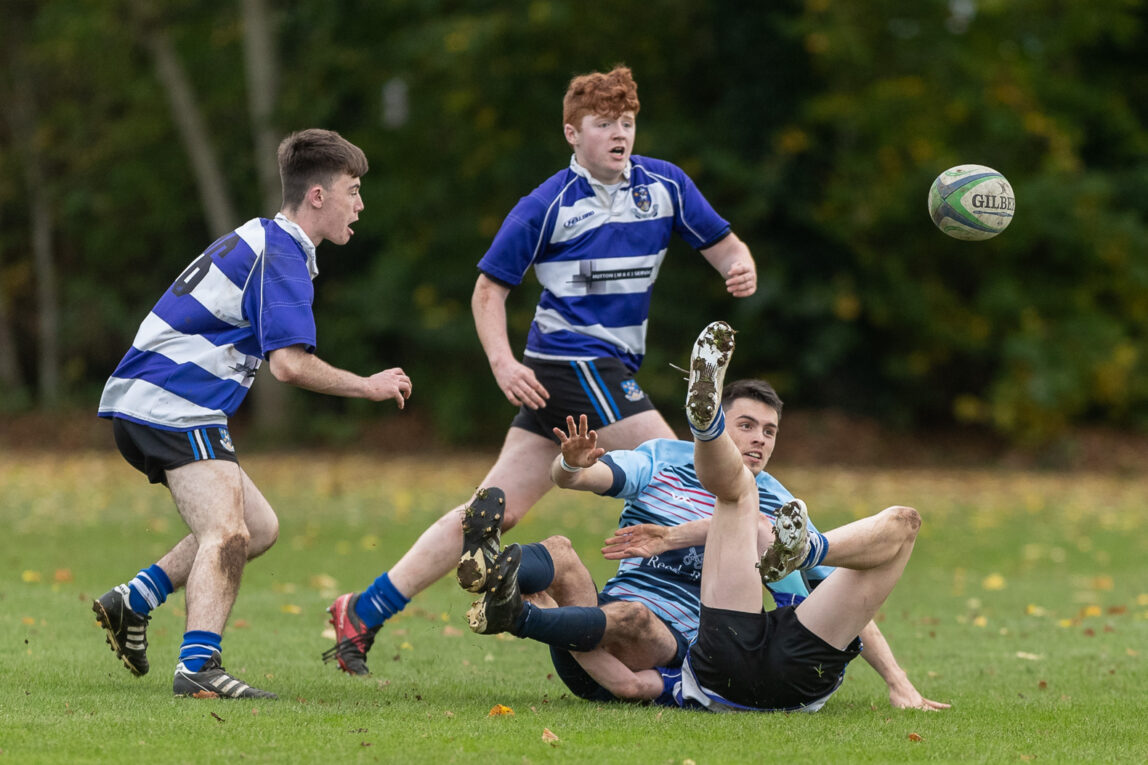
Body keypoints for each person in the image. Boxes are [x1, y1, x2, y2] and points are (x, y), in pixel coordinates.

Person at [322, 64, 757, 675]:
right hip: (571, 363)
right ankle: (715, 635)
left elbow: (726, 246)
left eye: (627, 123)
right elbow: (486, 292)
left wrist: (740, 267)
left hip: (586, 370)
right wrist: (502, 362)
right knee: (686, 475)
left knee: (496, 510)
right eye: (603, 124)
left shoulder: (667, 187)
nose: (618, 134)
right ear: (571, 134)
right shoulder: (546, 204)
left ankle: (362, 611)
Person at [464, 322, 949, 711]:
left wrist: (897, 680)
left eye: (770, 431)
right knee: (561, 551)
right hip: (603, 622)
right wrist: (569, 464)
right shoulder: (661, 458)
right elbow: (585, 478)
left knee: (647, 604)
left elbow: (847, 598)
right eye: (746, 425)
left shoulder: (780, 504)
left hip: (673, 637)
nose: (760, 438)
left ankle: (517, 611)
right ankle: (490, 569)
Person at [92, 129, 413, 699]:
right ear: (317, 195)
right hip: (172, 402)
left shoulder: (265, 240)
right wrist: (367, 385)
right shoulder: (282, 250)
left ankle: (133, 600)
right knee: (227, 531)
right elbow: (289, 365)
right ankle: (198, 669)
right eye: (353, 190)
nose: (360, 205)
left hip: (159, 400)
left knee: (257, 527)